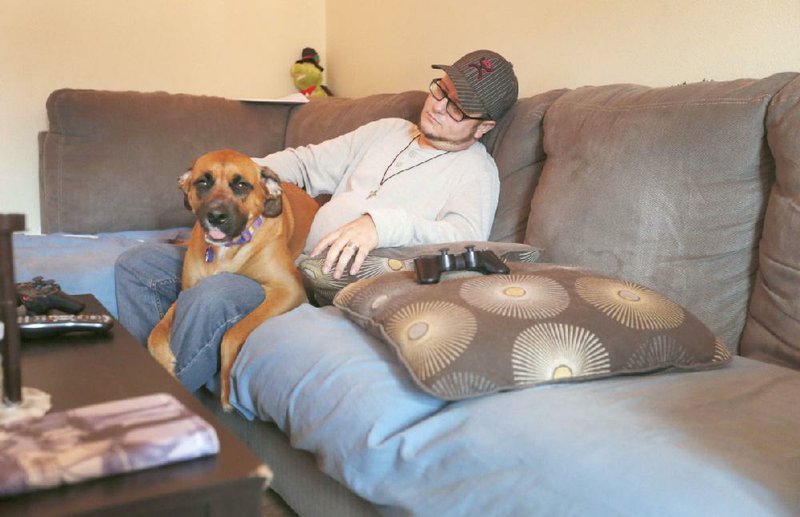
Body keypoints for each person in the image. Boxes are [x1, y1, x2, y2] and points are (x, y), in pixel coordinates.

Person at [114, 49, 519, 392]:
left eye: (457, 107)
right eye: (440, 90)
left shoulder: (475, 172)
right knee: (137, 265)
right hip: (287, 257)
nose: (437, 107)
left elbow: (469, 240)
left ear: (484, 127)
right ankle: (180, 375)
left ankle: (157, 400)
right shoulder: (389, 131)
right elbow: (306, 163)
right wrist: (240, 177)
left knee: (212, 294)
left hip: (315, 285)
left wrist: (381, 223)